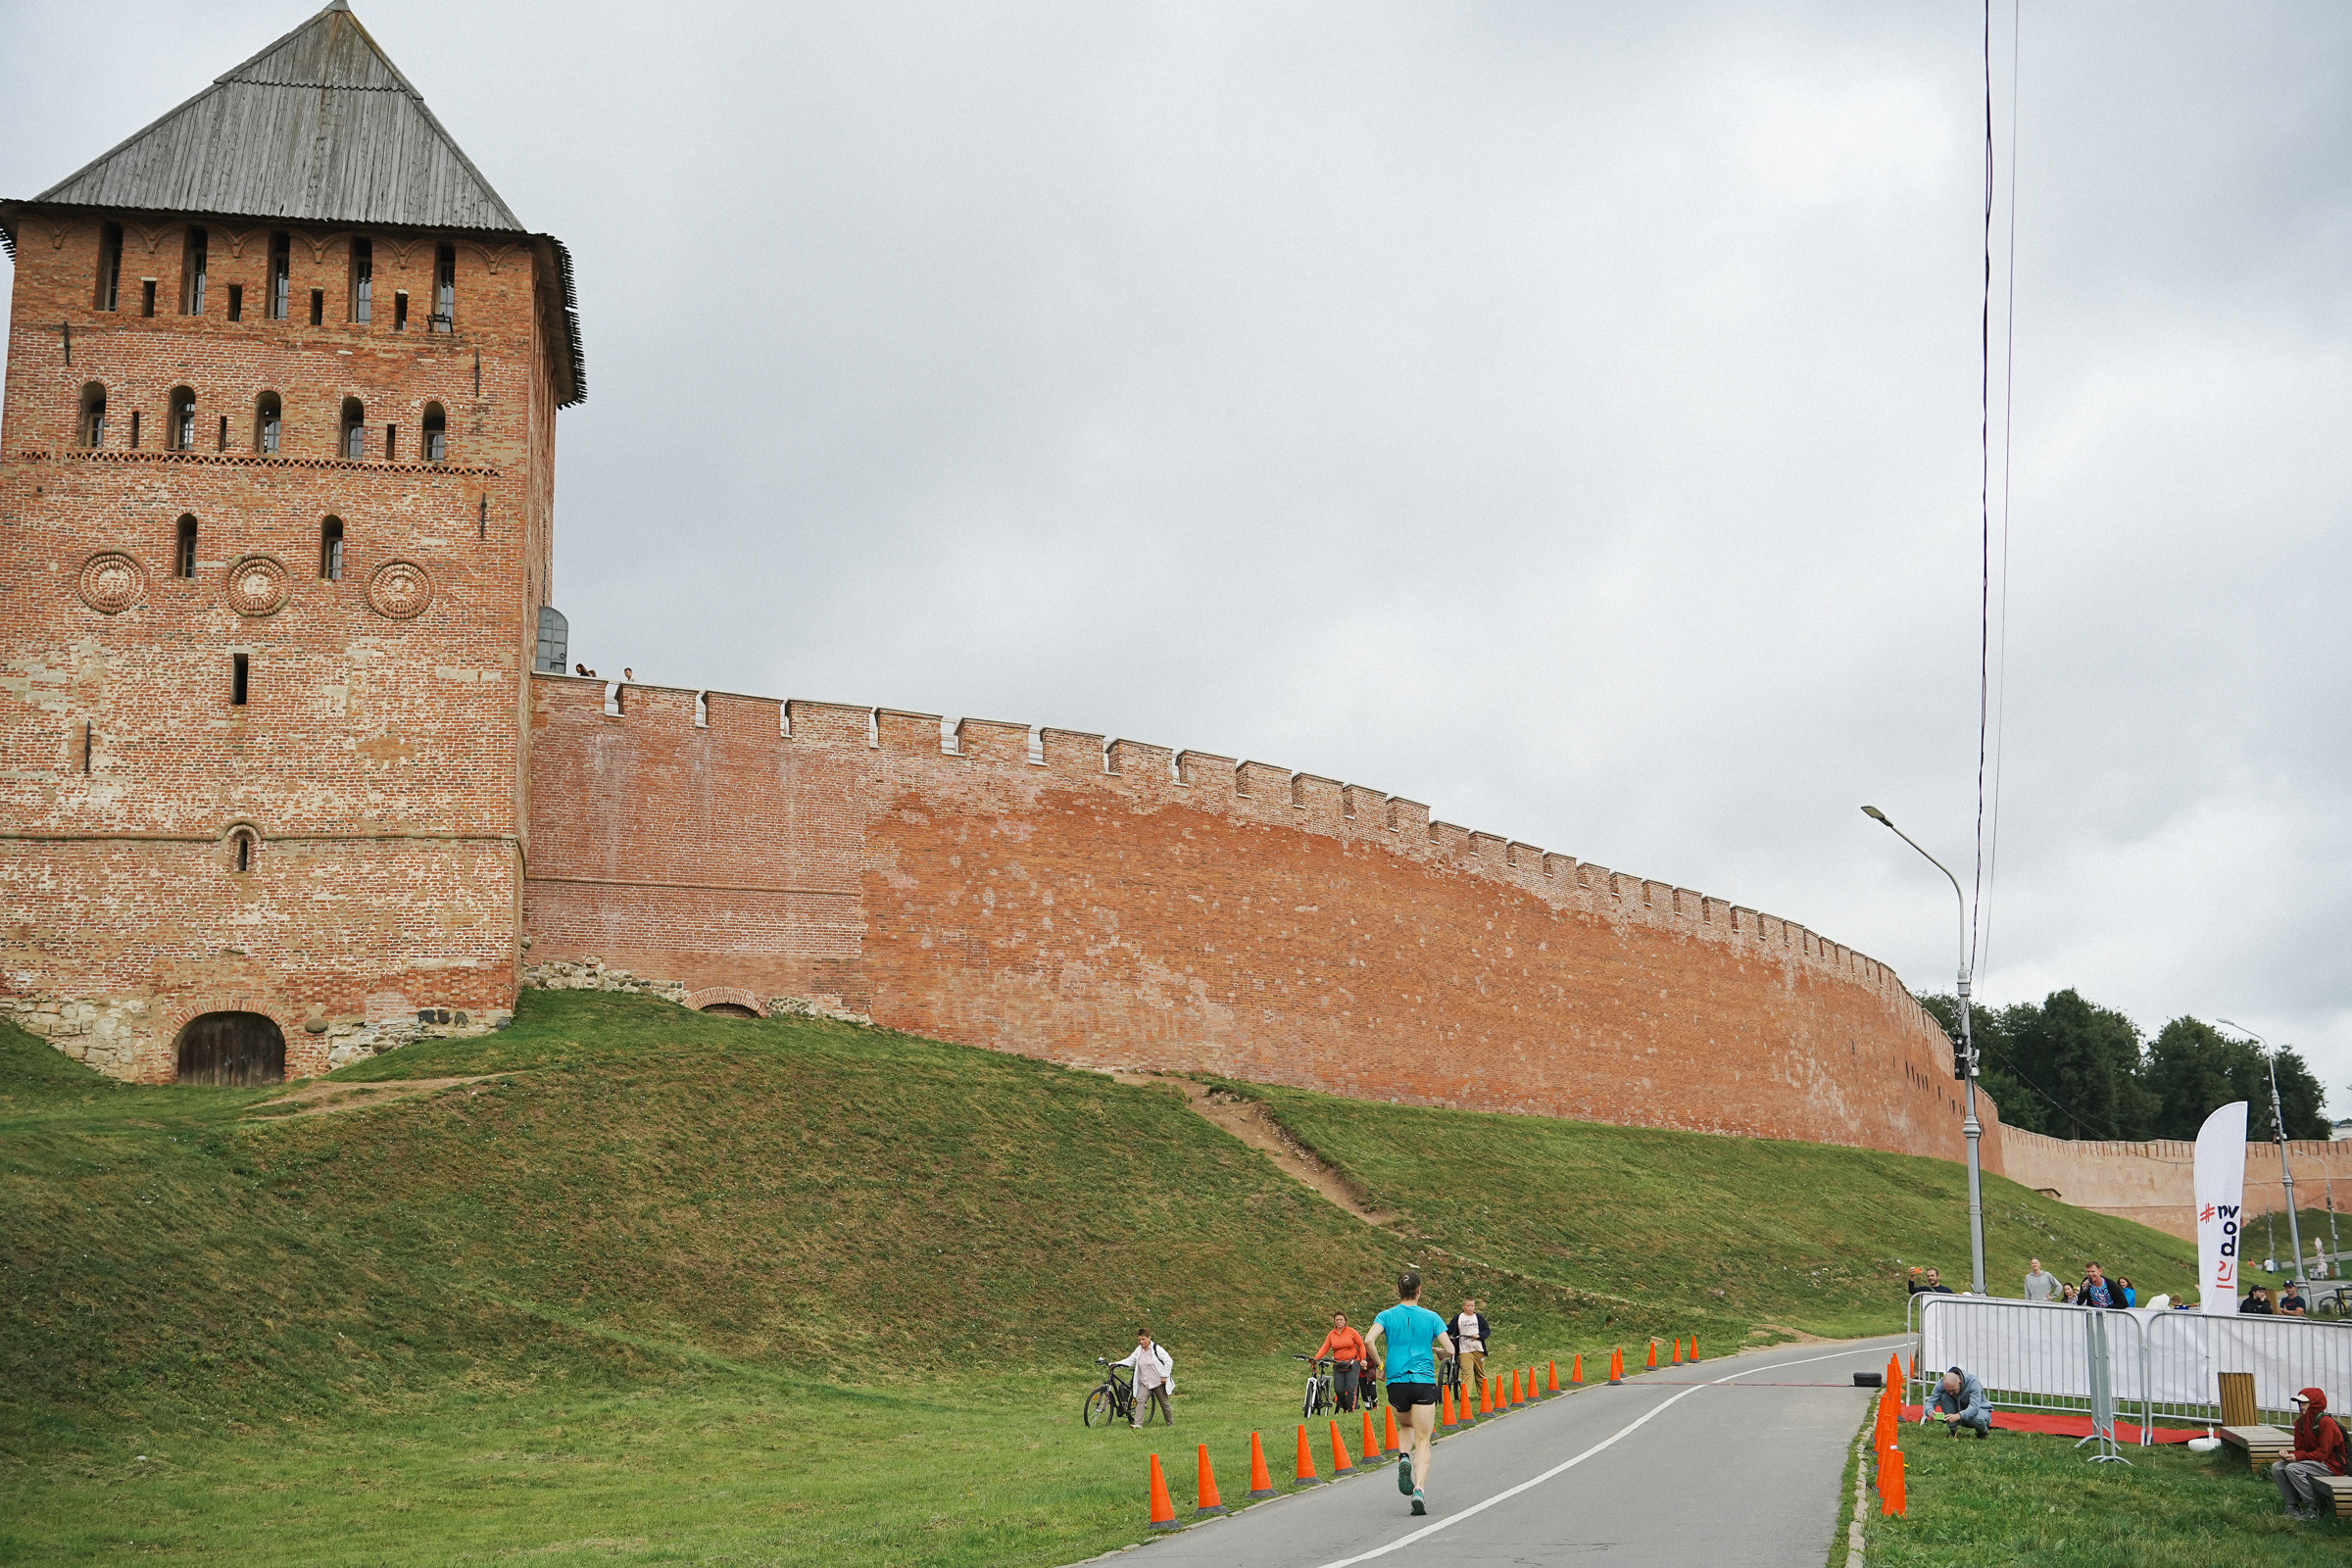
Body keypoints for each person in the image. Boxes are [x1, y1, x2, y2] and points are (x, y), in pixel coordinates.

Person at [1367, 1270, 1453, 1518]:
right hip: (1424, 1381)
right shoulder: (1431, 1317)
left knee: (1406, 1425)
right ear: (1419, 1290)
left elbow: (1368, 1340)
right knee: (1424, 1439)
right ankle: (1419, 1490)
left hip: (1396, 1382)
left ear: (1398, 1291)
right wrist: (1440, 1353)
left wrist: (1381, 1366)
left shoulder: (1386, 1315)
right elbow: (1450, 1348)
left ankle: (1403, 1456)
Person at [2274, 1389, 2348, 1520]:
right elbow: (2301, 1449)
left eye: (2305, 1402)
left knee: (2293, 1468)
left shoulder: (2326, 1422)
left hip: (2332, 1465)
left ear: (2314, 1403)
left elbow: (2323, 1454)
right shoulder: (2300, 1423)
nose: (2301, 1406)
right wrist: (2288, 1454)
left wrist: (2297, 1457)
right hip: (2316, 1462)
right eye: (2299, 1402)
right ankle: (2293, 1507)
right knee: (2277, 1467)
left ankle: (2313, 1509)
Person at [1112, 1329, 1175, 1428]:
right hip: (1145, 1383)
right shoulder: (1139, 1350)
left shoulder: (1156, 1349)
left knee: (1164, 1404)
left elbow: (1168, 1361)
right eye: (1139, 1340)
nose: (1141, 1342)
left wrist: (1164, 1375)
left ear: (1149, 1338)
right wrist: (1115, 1364)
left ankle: (1170, 1424)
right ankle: (1138, 1424)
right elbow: (1130, 1360)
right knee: (1140, 1401)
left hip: (1158, 1382)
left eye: (1143, 1339)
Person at [1313, 1311, 1370, 1411]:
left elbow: (1361, 1345)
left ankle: (1351, 1411)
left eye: (1341, 1320)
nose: (1339, 1321)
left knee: (1351, 1388)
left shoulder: (1351, 1331)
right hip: (1338, 1363)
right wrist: (1315, 1359)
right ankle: (1346, 1408)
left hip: (1353, 1362)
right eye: (1337, 1320)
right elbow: (1325, 1348)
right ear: (1334, 1322)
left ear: (1345, 1321)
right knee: (1338, 1390)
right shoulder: (1331, 1334)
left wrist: (1363, 1359)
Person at [1930, 1366, 1991, 1439]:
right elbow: (1931, 1400)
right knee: (1944, 1396)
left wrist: (1958, 1416)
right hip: (1958, 1413)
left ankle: (1982, 1433)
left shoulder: (1973, 1382)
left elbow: (1974, 1407)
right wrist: (1929, 1410)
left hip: (1979, 1411)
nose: (1951, 1393)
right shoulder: (1943, 1382)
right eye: (1948, 1390)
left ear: (1960, 1382)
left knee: (1978, 1420)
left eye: (1953, 1390)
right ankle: (1953, 1431)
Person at [1452, 1298, 1492, 1398]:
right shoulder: (1459, 1318)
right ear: (1463, 1306)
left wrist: (1479, 1336)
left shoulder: (1478, 1317)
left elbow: (1487, 1330)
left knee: (1479, 1373)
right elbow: (1450, 1328)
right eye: (1468, 1306)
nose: (1470, 1308)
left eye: (1472, 1306)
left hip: (1478, 1348)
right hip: (1465, 1349)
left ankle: (1483, 1394)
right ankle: (1466, 1396)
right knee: (1466, 1372)